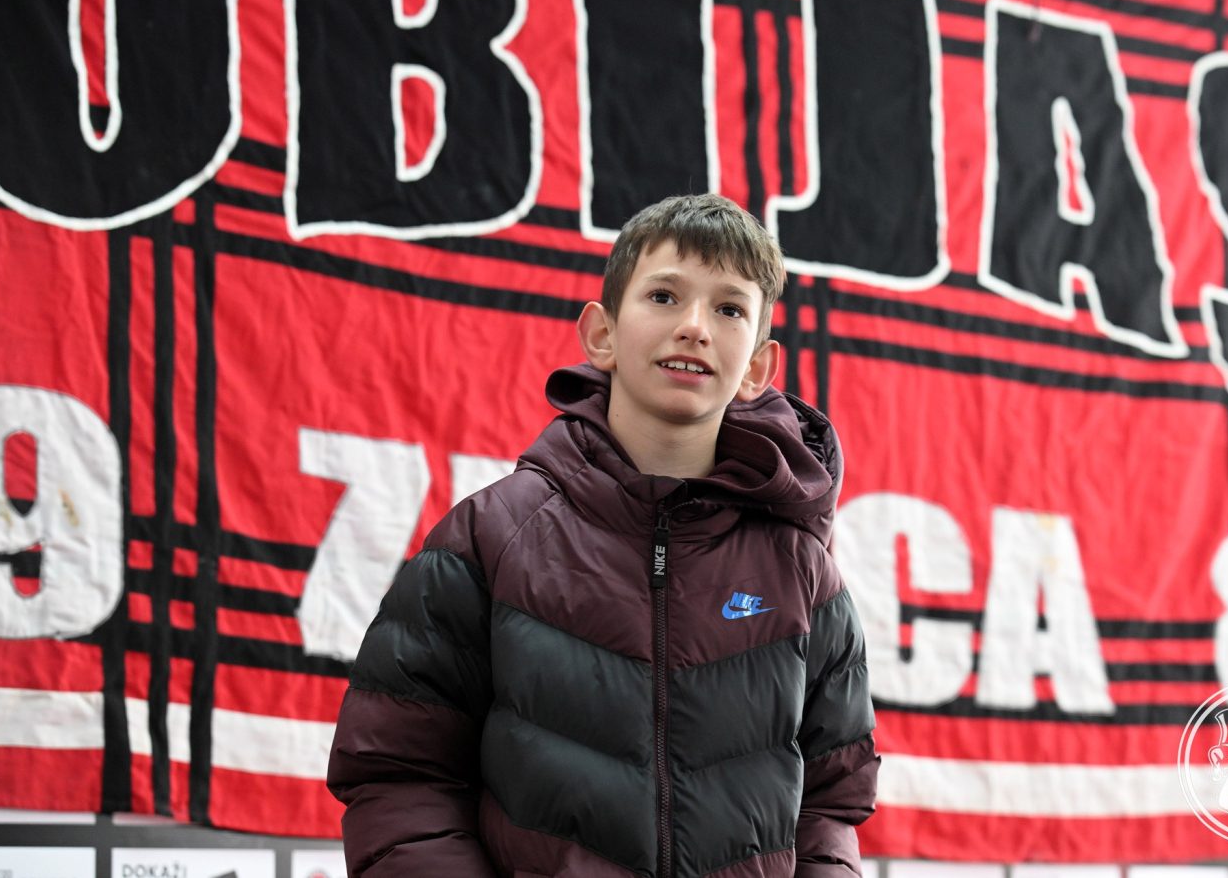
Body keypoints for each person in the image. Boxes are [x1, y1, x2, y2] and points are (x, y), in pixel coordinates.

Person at [327, 193, 880, 876]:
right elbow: (398, 771)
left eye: (730, 309)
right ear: (601, 335)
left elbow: (832, 802)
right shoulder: (489, 538)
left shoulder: (802, 572)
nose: (695, 327)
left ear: (757, 368)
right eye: (664, 296)